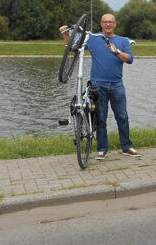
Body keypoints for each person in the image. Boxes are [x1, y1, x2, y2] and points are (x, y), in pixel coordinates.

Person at [59, 14, 141, 160]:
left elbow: (129, 59)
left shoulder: (123, 40)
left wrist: (116, 51)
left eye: (110, 22)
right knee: (100, 118)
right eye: (105, 22)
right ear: (101, 24)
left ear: (115, 24)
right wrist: (65, 33)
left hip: (117, 84)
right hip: (98, 85)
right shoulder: (92, 38)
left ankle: (127, 147)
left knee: (122, 116)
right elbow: (72, 46)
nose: (108, 24)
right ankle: (102, 149)